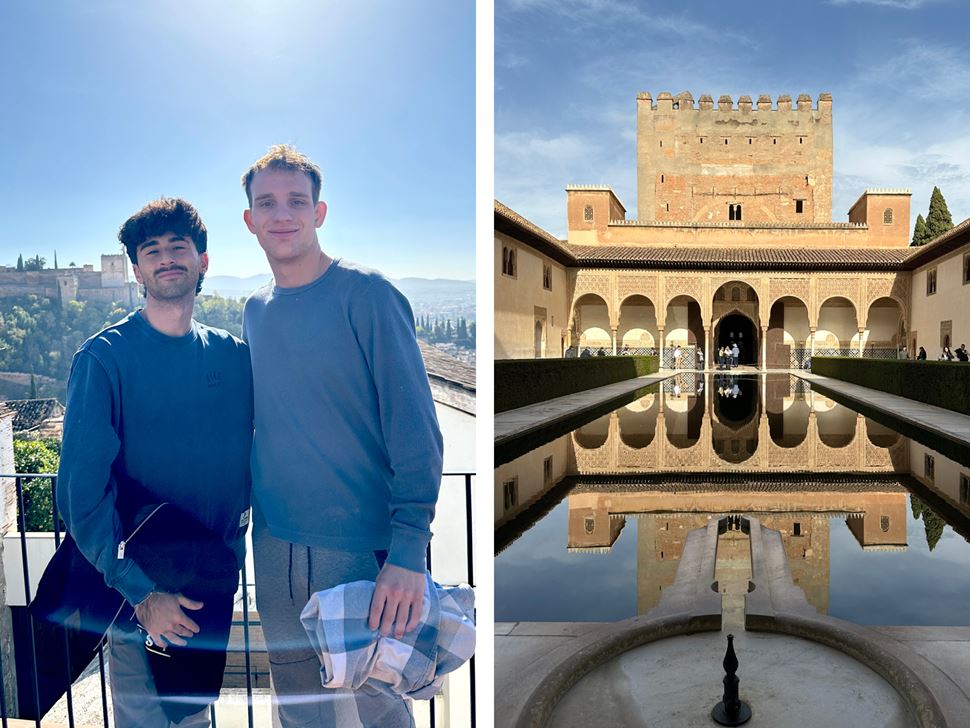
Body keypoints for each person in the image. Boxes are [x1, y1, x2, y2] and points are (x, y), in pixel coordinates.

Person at [240, 145, 443, 727]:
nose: (283, 214)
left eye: (296, 201)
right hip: (275, 549)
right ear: (250, 221)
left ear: (319, 212)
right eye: (267, 203)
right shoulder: (255, 311)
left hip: (362, 552)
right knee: (297, 703)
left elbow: (417, 432)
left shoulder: (370, 296)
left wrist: (407, 552)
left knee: (376, 704)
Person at [56, 198, 253, 727]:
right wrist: (141, 593)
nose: (167, 258)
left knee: (195, 717)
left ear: (203, 260)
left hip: (210, 582)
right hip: (142, 591)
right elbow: (80, 495)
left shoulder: (232, 356)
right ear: (138, 269)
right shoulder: (104, 359)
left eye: (178, 247)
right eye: (152, 251)